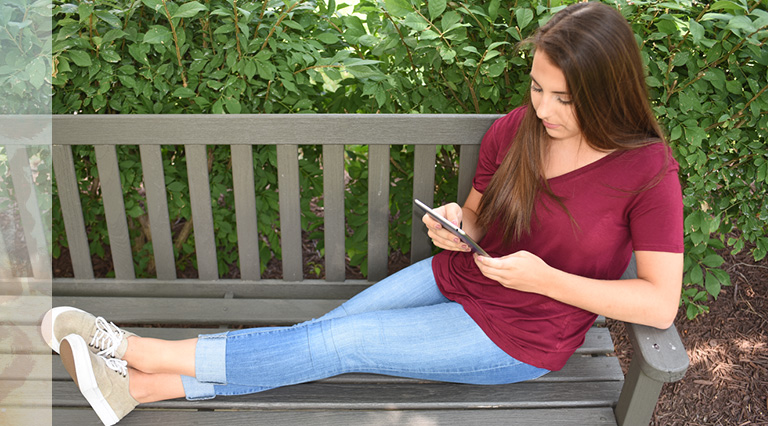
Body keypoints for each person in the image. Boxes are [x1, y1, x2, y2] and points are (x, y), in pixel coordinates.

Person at [42, 3, 684, 425]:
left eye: (563, 98)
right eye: (537, 87)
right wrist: (460, 228)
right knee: (318, 340)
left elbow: (659, 305)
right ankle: (142, 390)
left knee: (335, 342)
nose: (542, 108)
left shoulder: (646, 169)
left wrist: (546, 279)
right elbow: (483, 224)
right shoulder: (516, 130)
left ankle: (128, 347)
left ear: (604, 93)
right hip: (458, 281)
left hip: (521, 336)